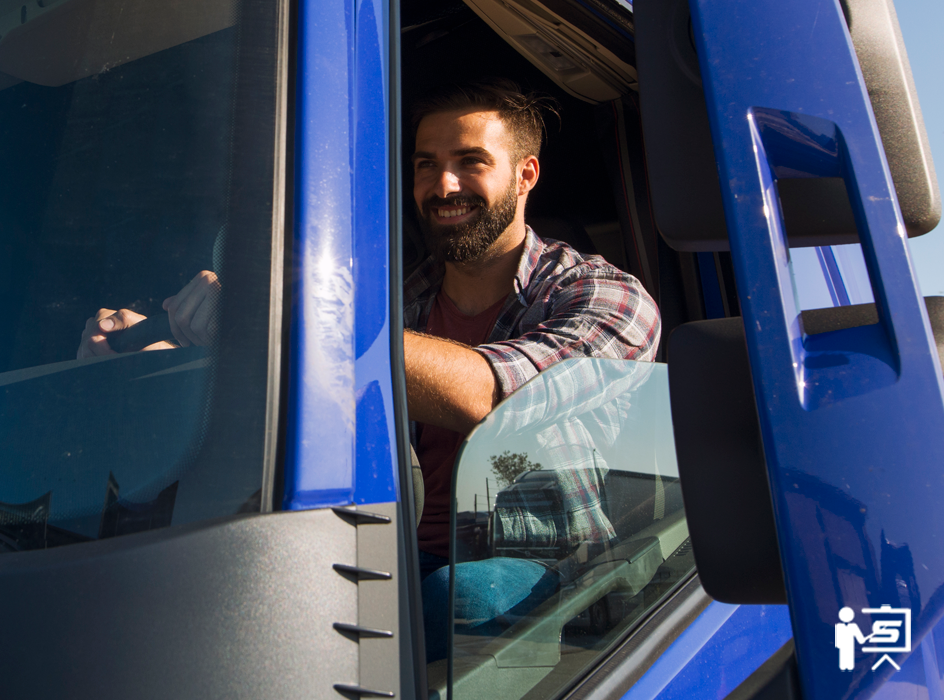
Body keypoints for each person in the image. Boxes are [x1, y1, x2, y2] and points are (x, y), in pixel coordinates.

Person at [75, 78, 661, 649]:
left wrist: (279, 316)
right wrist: (159, 354)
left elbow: (492, 395)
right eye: (426, 165)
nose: (443, 184)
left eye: (470, 162)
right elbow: (294, 394)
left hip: (542, 563)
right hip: (381, 544)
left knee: (452, 599)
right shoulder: (393, 304)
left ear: (526, 174)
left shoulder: (607, 297)